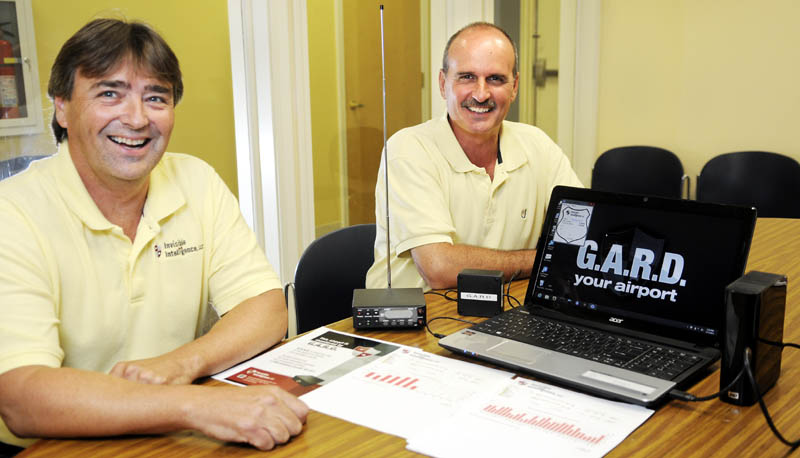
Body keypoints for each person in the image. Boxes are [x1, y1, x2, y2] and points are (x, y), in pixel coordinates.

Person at [0, 19, 307, 453]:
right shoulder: (11, 213)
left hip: (178, 434)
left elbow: (266, 308)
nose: (137, 118)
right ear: (63, 107)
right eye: (110, 93)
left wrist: (180, 365)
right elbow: (21, 395)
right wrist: (192, 405)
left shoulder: (196, 179)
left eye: (156, 97)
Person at [366, 22, 583, 291]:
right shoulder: (409, 149)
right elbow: (440, 268)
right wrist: (545, 259)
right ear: (443, 84)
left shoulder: (538, 145)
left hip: (504, 311)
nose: (481, 94)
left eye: (495, 79)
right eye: (467, 77)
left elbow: (581, 239)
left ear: (514, 86)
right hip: (419, 322)